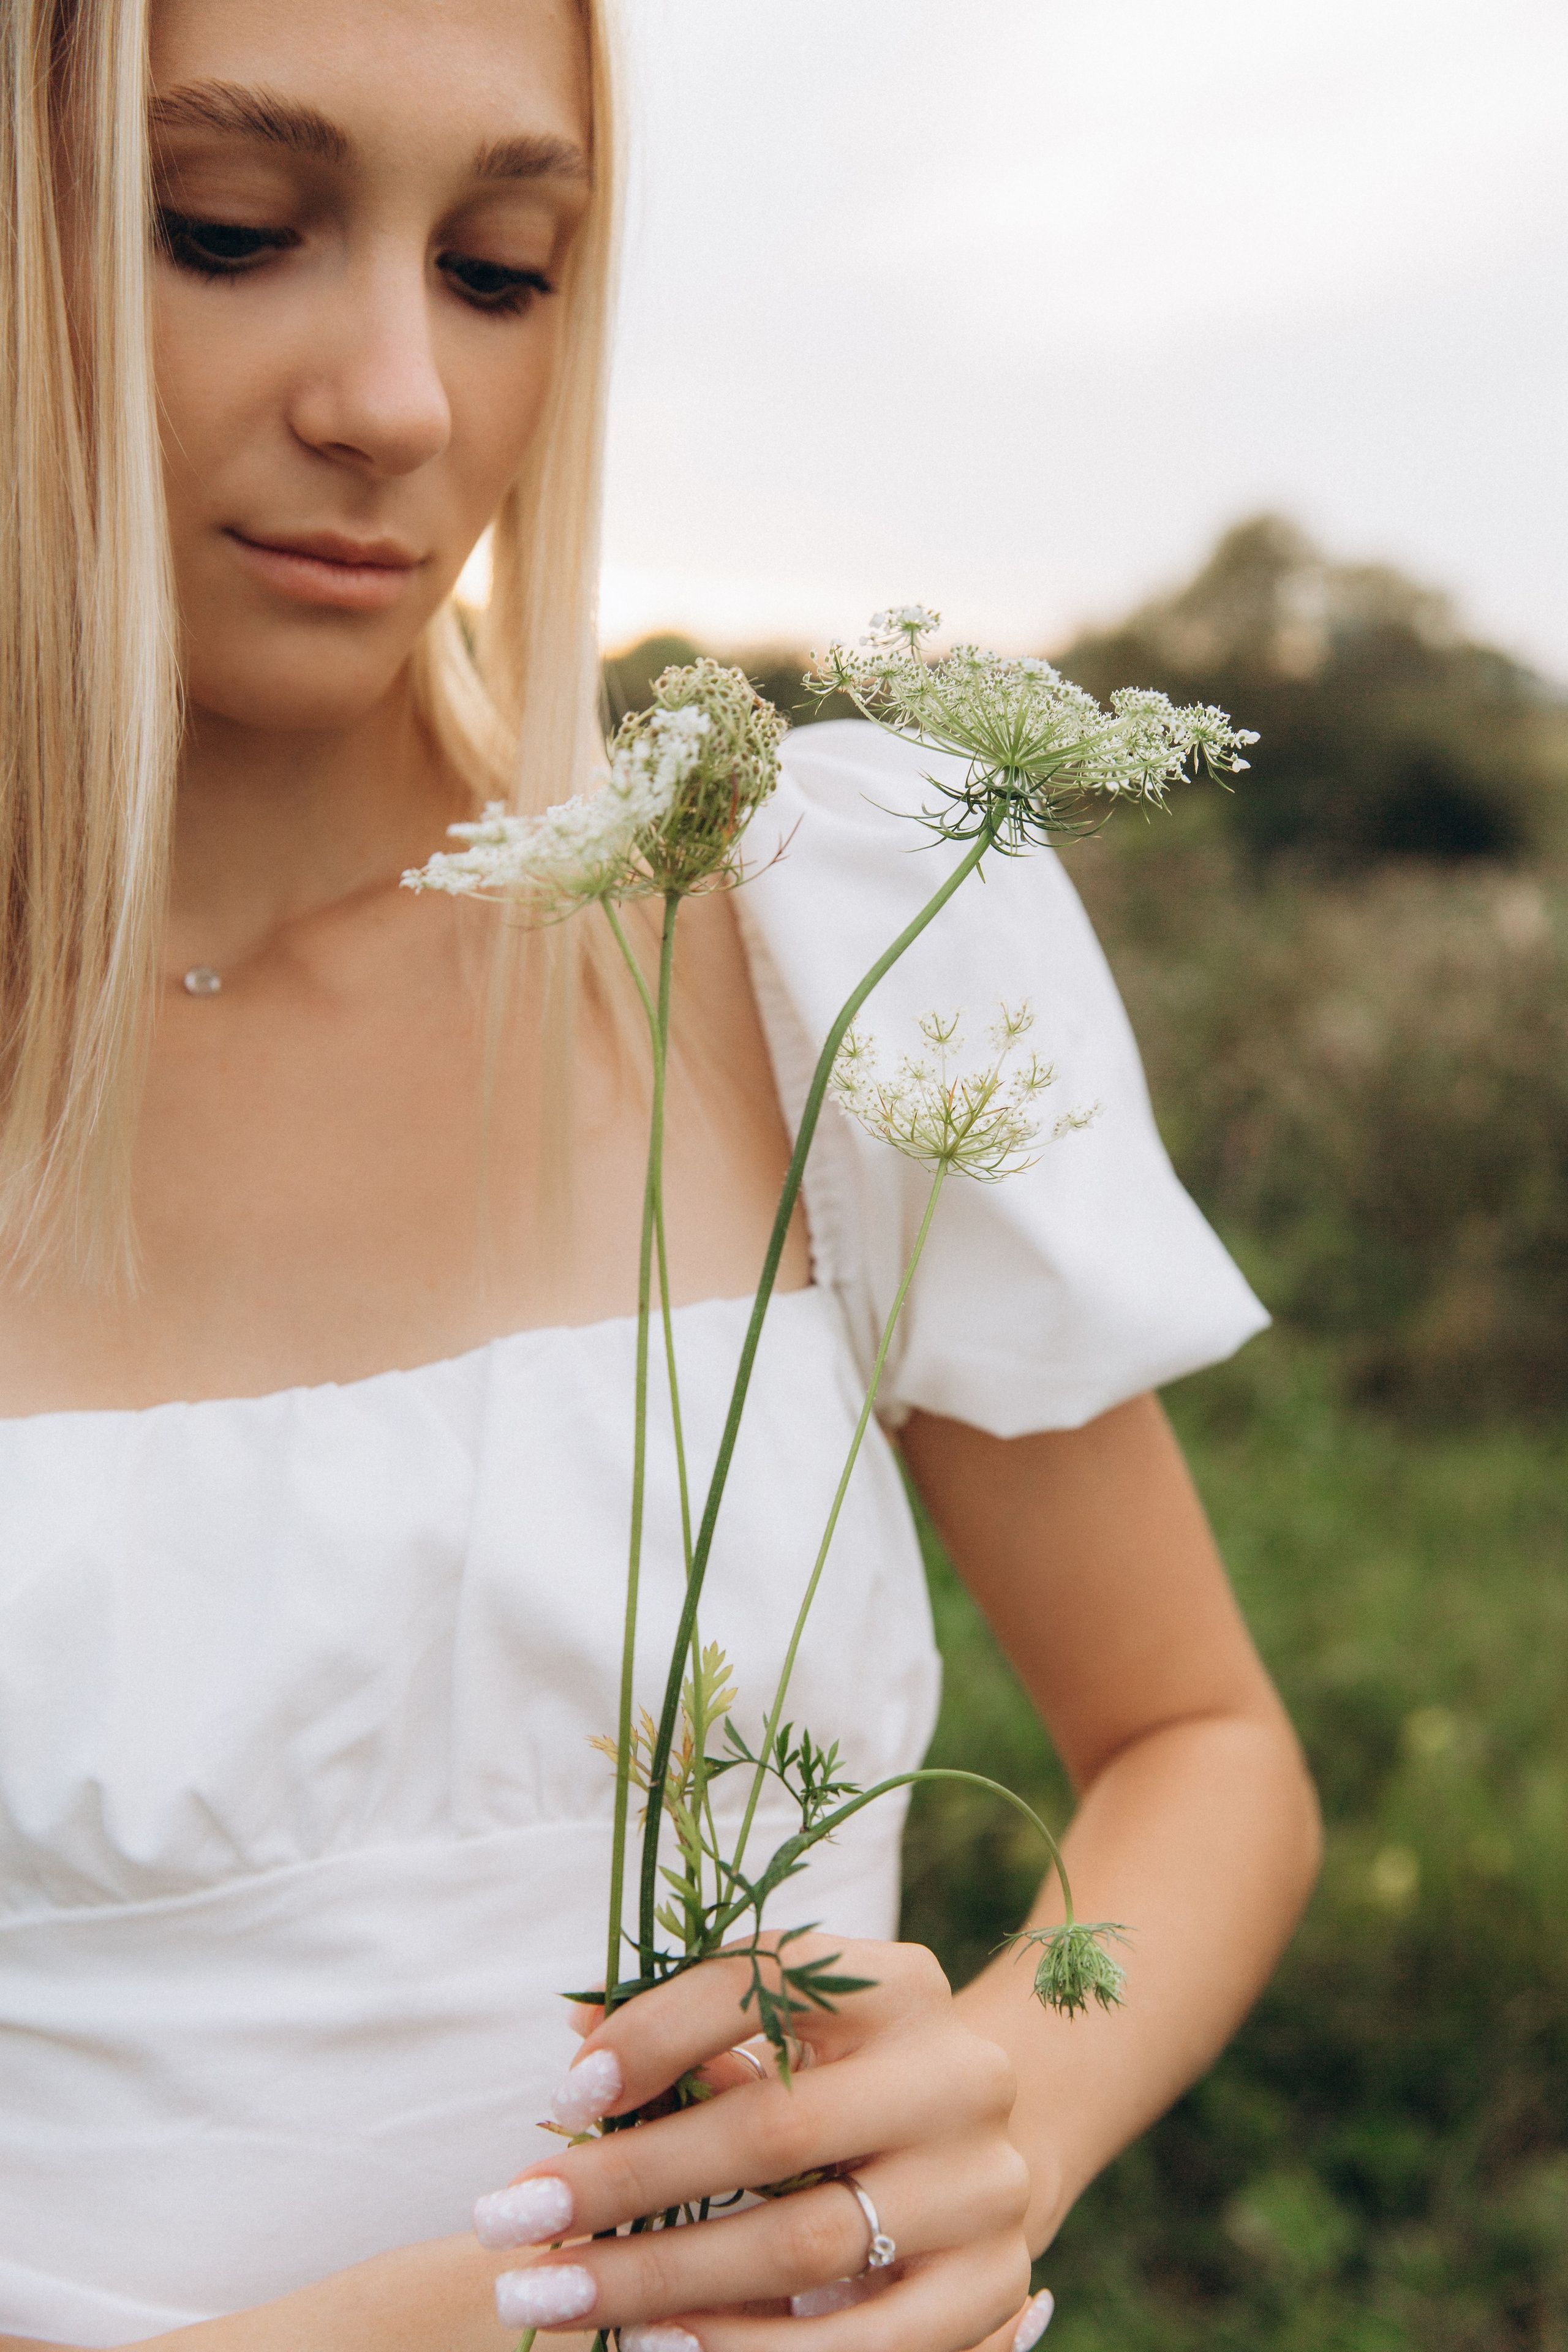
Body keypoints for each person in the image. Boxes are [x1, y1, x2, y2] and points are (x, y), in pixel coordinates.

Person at [0, 2, 1321, 2346]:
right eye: (227, 230)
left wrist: (975, 2132)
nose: (397, 401)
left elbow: (1199, 1754)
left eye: (505, 267)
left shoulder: (820, 930)